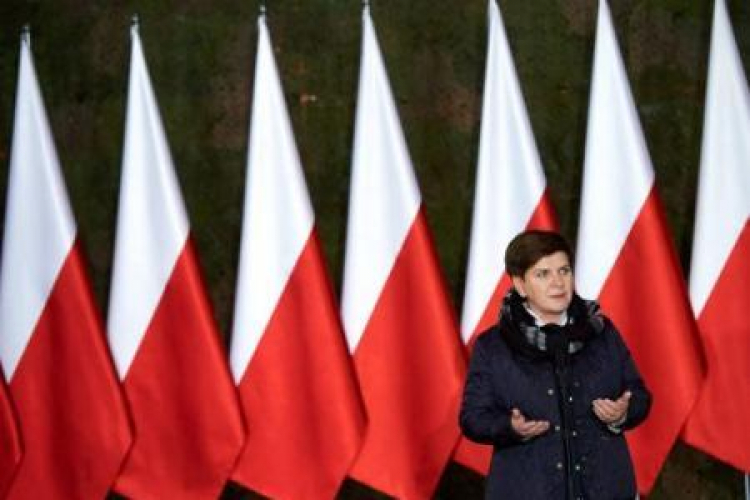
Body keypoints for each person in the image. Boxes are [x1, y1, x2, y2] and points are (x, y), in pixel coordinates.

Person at [460, 230, 651, 500]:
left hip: (607, 489)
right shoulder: (494, 346)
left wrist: (622, 413)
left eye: (564, 271)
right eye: (543, 274)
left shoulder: (602, 331)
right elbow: (472, 419)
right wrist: (509, 427)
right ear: (520, 284)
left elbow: (640, 395)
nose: (558, 283)